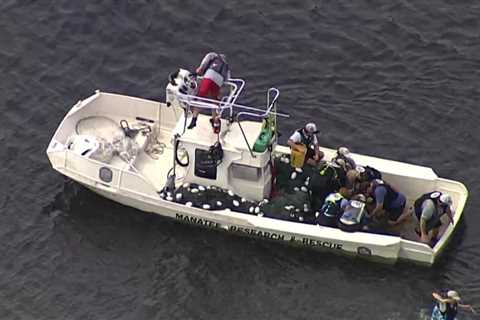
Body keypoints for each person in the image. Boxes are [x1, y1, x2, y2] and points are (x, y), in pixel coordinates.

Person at [188, 52, 231, 129]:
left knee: (200, 97)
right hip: (218, 81)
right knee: (215, 101)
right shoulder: (226, 67)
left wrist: (198, 71)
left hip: (209, 75)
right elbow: (227, 79)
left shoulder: (213, 56)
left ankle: (194, 119)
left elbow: (204, 63)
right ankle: (215, 121)